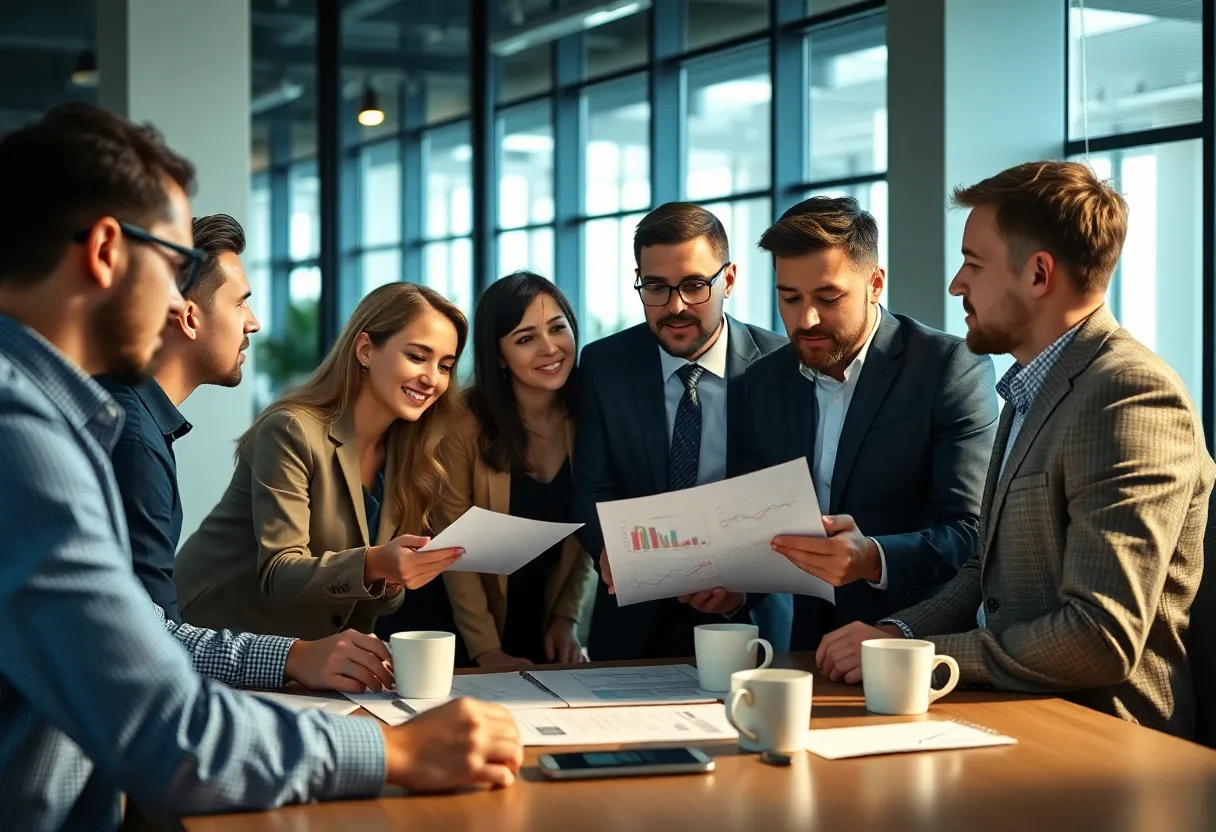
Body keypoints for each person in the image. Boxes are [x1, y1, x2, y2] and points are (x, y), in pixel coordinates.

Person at [0, 102, 520, 829]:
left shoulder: (62, 415)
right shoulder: (21, 436)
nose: (190, 303)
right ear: (108, 252)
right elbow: (163, 727)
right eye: (177, 262)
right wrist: (388, 749)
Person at [816, 161, 1213, 739]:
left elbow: (1099, 636)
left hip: (1101, 742)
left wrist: (923, 654)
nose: (957, 284)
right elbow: (986, 570)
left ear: (1038, 274)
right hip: (1009, 714)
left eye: (973, 264)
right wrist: (897, 635)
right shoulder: (1030, 387)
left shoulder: (1130, 395)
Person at [683, 197, 997, 652]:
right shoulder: (763, 382)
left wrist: (876, 558)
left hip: (920, 647)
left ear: (875, 284)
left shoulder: (950, 368)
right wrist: (735, 589)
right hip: (810, 650)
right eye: (789, 298)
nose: (806, 318)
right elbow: (760, 522)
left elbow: (973, 533)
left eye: (828, 298)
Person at [99, 214, 396, 694]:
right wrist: (295, 656)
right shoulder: (133, 438)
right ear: (189, 316)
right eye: (241, 303)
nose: (253, 324)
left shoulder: (132, 418)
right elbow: (150, 643)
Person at [175, 281, 469, 647]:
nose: (433, 379)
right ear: (365, 350)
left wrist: (394, 577)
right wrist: (376, 563)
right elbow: (279, 574)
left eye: (445, 366)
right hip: (215, 638)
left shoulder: (410, 456)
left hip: (308, 651)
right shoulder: (291, 429)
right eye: (416, 356)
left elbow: (374, 599)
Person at [572, 202, 787, 660]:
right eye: (656, 287)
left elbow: (793, 496)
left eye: (694, 285)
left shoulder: (782, 366)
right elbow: (591, 486)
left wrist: (745, 586)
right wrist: (609, 549)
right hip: (630, 621)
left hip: (748, 624)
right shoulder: (603, 364)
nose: (675, 306)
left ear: (728, 279)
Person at [438, 271, 596, 667]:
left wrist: (565, 618)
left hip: (540, 628)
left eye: (557, 328)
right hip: (458, 632)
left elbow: (585, 531)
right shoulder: (460, 424)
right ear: (498, 356)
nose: (550, 348)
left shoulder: (587, 418)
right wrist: (486, 650)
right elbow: (452, 549)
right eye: (526, 339)